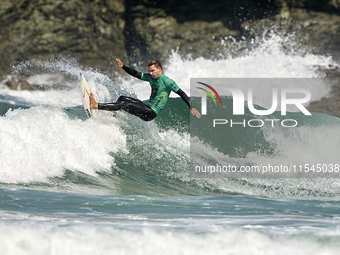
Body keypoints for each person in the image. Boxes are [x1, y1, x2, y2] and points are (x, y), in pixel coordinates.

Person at [90, 58, 201, 121]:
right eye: (150, 71)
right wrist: (123, 66)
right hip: (147, 107)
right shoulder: (151, 77)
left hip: (150, 113)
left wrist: (191, 107)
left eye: (153, 71)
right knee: (122, 98)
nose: (151, 73)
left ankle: (96, 106)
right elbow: (136, 74)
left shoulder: (167, 81)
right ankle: (112, 115)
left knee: (123, 104)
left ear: (159, 69)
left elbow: (181, 93)